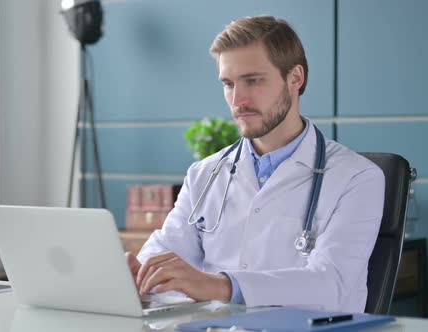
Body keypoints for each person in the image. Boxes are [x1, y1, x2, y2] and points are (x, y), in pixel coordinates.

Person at [125, 15, 385, 312]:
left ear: (295, 79)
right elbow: (166, 253)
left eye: (253, 80)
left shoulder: (358, 178)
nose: (238, 100)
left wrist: (220, 285)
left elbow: (333, 284)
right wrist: (138, 274)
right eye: (228, 84)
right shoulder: (205, 174)